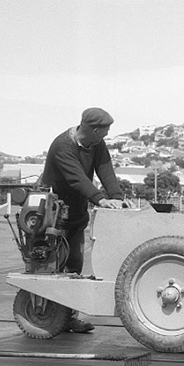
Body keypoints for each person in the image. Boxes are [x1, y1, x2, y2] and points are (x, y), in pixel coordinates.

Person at [39, 107, 128, 333]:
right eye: (105, 131)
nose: (107, 135)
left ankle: (68, 319)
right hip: (52, 214)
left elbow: (105, 168)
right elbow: (77, 178)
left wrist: (116, 197)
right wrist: (100, 199)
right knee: (51, 266)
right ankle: (46, 317)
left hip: (76, 213)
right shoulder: (62, 146)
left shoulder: (96, 144)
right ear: (94, 130)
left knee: (74, 264)